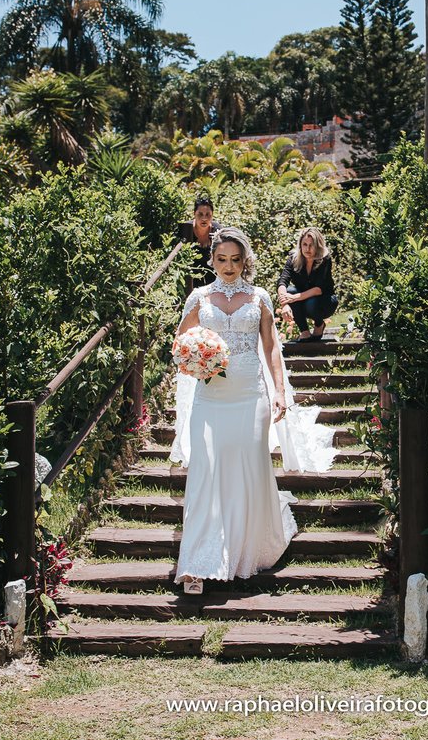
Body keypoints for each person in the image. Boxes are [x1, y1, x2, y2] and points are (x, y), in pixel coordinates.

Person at [171, 227, 299, 595]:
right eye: (221, 259)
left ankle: (245, 548)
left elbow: (271, 346)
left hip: (249, 394)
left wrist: (278, 391)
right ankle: (197, 562)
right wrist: (196, 358)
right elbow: (181, 344)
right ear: (212, 259)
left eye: (236, 260)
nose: (228, 267)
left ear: (246, 261)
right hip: (210, 396)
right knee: (207, 469)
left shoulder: (259, 297)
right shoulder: (198, 297)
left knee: (249, 466)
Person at [276, 227, 337, 342]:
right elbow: (282, 281)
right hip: (304, 302)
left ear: (317, 246)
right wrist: (284, 303)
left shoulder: (325, 259)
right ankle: (305, 332)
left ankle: (319, 325)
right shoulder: (293, 259)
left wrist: (293, 298)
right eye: (304, 244)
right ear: (300, 245)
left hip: (325, 302)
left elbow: (318, 289)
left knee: (309, 301)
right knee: (289, 290)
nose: (307, 249)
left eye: (311, 245)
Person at [177, 195, 223, 295]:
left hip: (213, 284)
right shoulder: (185, 231)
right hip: (189, 284)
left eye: (208, 214)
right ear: (194, 214)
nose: (204, 218)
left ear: (212, 214)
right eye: (200, 214)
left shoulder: (219, 231)